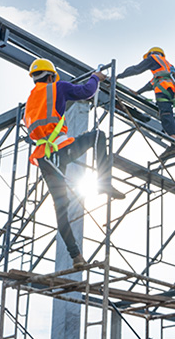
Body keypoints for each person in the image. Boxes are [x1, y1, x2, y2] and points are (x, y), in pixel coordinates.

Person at [24, 58, 125, 267]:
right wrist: (95, 78)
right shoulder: (57, 87)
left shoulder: (31, 100)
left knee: (60, 207)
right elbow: (86, 92)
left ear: (34, 78)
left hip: (44, 157)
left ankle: (76, 257)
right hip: (60, 148)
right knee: (98, 136)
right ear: (51, 76)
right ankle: (104, 182)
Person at [118, 47, 175, 159]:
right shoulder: (166, 67)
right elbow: (151, 84)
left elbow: (136, 69)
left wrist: (118, 76)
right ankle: (173, 141)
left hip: (164, 90)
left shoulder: (153, 58)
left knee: (166, 114)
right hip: (171, 91)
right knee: (166, 113)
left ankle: (173, 143)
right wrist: (138, 92)